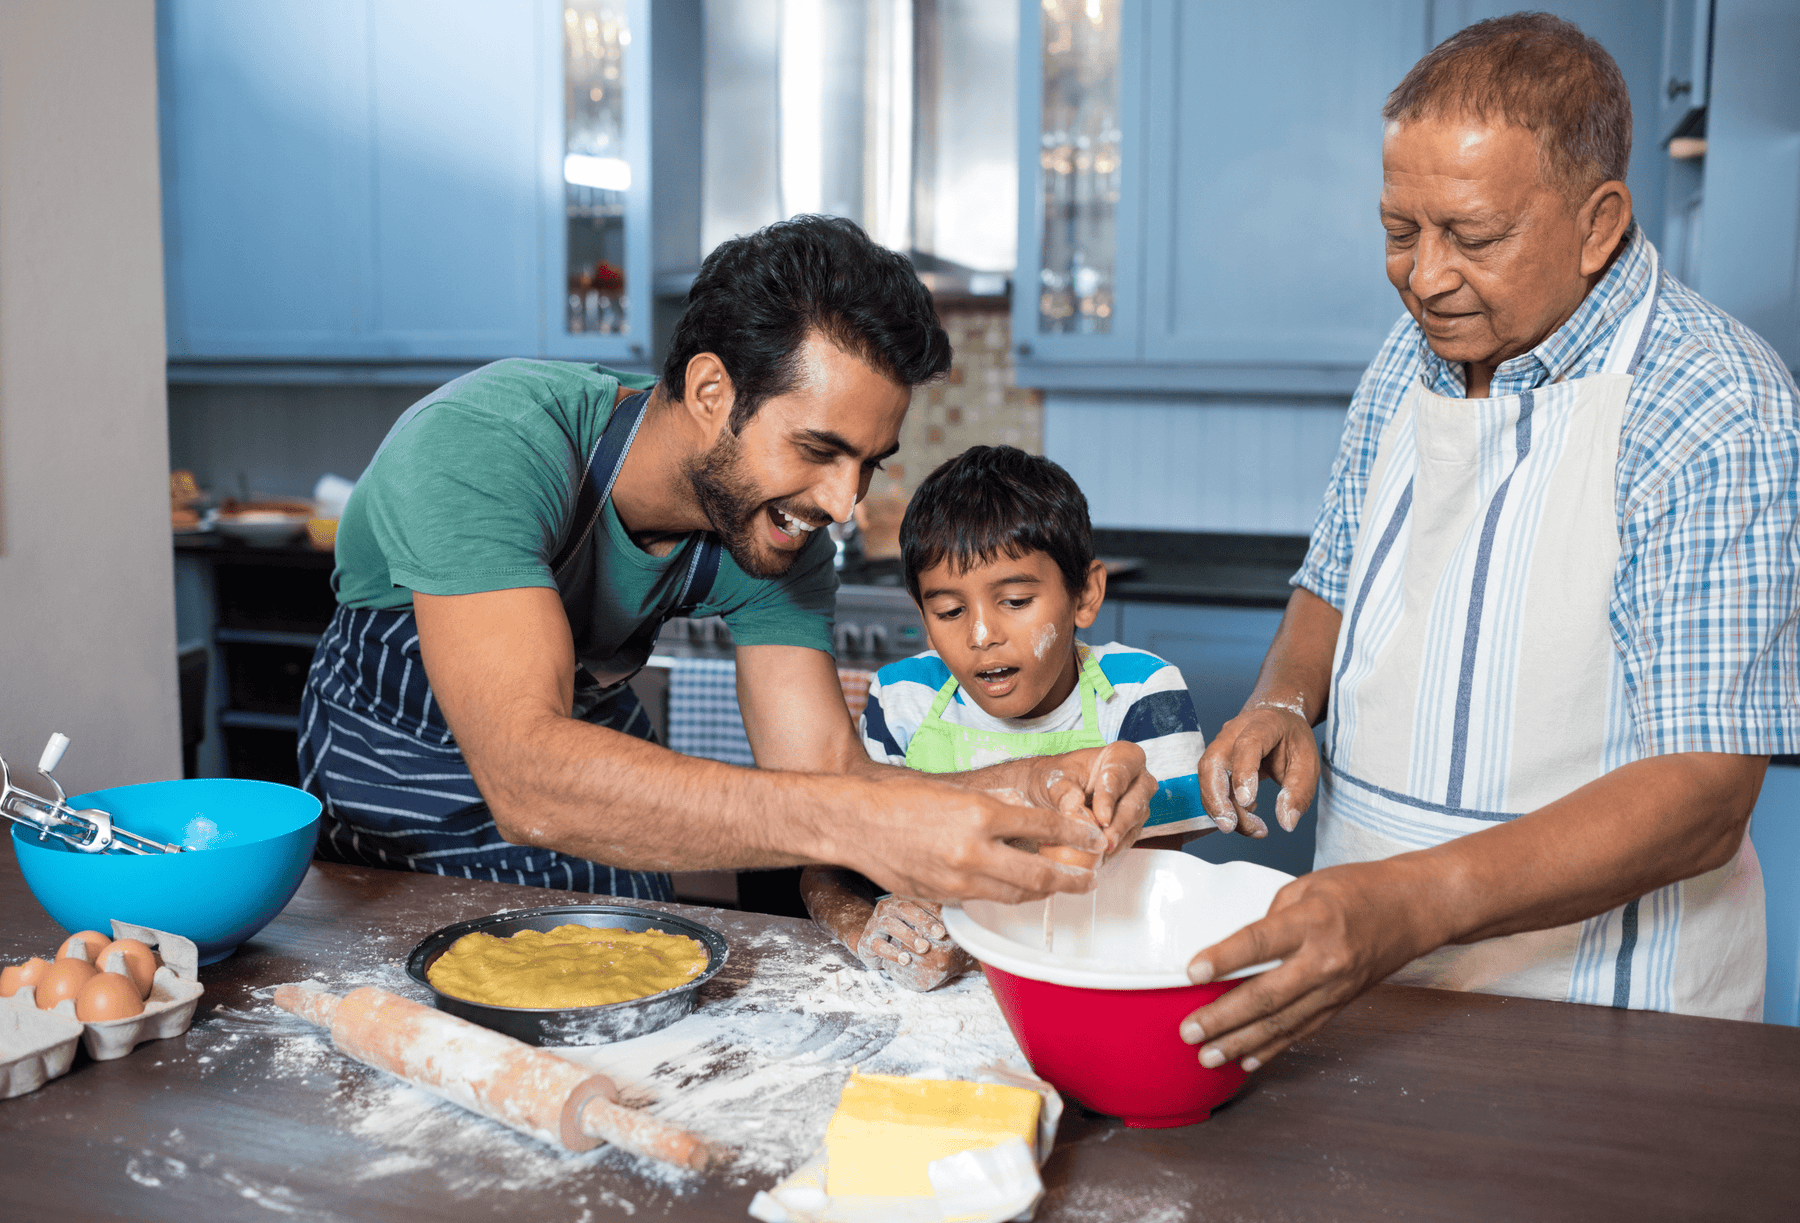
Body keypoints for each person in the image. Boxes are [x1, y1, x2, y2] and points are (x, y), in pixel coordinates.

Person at [1183, 13, 1798, 1073]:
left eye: (1471, 237)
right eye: (1397, 230)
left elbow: (1704, 789)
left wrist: (1410, 901)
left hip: (1602, 1017)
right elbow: (1335, 574)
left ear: (1598, 223)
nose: (1423, 277)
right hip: (1365, 984)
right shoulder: (1411, 353)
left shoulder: (1716, 402)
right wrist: (1283, 698)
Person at [298, 216, 1156, 906]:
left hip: (594, 816)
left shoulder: (778, 531)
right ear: (712, 392)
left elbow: (822, 773)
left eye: (869, 462)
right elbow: (530, 778)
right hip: (400, 820)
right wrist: (853, 822)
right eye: (818, 448)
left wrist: (1041, 784)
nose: (842, 504)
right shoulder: (485, 445)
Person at [802, 446, 1213, 989]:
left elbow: (1149, 891)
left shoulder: (1141, 696)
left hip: (1083, 988)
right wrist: (864, 926)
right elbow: (825, 866)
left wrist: (974, 949)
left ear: (1084, 594)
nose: (980, 635)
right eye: (949, 611)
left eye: (1016, 601)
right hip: (921, 1000)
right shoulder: (903, 699)